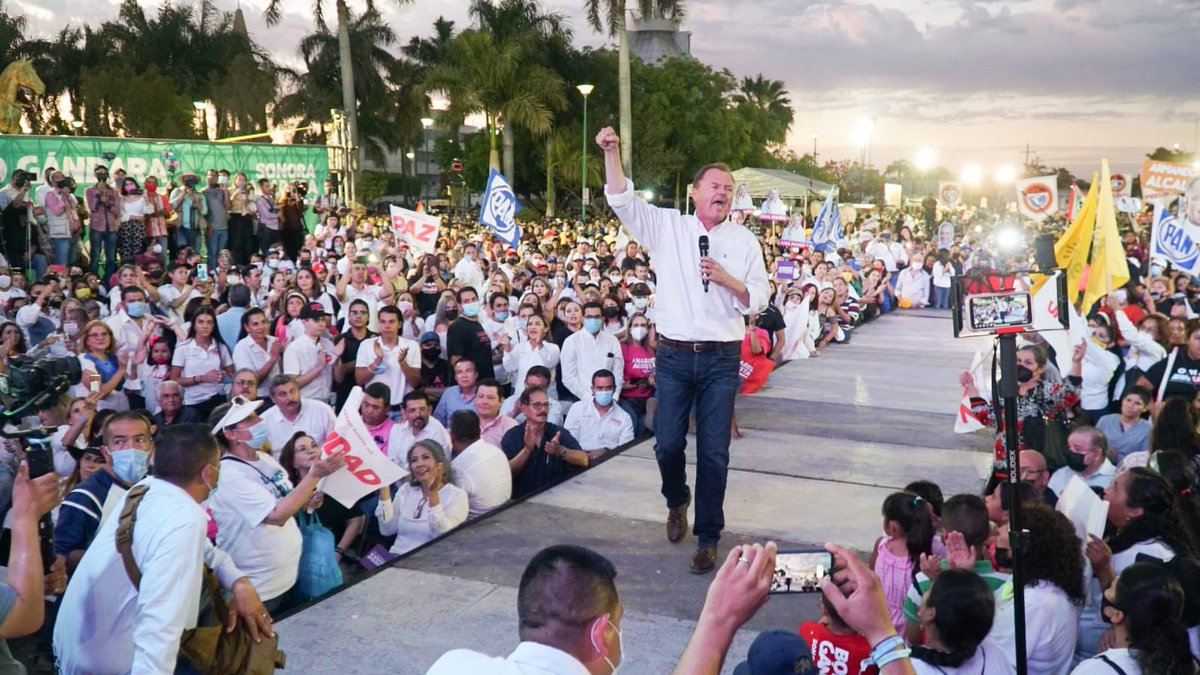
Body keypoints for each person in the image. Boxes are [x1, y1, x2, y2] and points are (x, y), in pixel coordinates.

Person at [600, 126, 769, 573]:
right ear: (694, 192)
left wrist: (727, 279)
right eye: (715, 186)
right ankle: (677, 500)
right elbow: (621, 199)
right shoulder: (667, 228)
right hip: (673, 354)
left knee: (714, 451)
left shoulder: (743, 241)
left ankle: (708, 535)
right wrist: (612, 152)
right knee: (667, 444)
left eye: (729, 189)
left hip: (720, 357)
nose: (723, 194)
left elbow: (761, 298)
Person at [53, 424, 273, 674]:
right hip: (113, 661)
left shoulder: (144, 489)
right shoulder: (184, 520)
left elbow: (206, 549)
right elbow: (160, 624)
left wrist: (237, 581)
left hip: (80, 647)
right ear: (209, 473)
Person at [208, 397, 346, 611]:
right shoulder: (229, 474)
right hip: (260, 587)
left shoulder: (265, 459)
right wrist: (314, 476)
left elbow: (286, 499)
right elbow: (276, 515)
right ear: (231, 434)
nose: (259, 420)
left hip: (288, 575)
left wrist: (306, 500)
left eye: (256, 415)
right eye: (250, 419)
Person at [989, 503, 1085, 674]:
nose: (999, 531)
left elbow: (994, 664)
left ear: (1026, 546)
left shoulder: (1033, 604)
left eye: (1008, 529)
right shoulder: (1038, 583)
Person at [53, 411, 153, 573]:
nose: (131, 448)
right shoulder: (85, 497)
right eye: (120, 441)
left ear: (151, 447)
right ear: (106, 452)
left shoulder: (157, 489)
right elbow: (62, 557)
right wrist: (124, 558)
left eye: (139, 440)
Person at [1072, 561, 1196, 675]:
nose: (1106, 590)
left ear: (1116, 615)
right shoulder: (1185, 666)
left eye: (1111, 587)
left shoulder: (1095, 670)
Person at [375, 439, 468, 555]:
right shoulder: (406, 489)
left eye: (426, 457)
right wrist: (384, 490)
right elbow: (387, 530)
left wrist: (433, 494)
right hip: (396, 557)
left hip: (428, 563)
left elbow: (443, 536)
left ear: (440, 463)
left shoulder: (457, 495)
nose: (419, 464)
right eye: (414, 460)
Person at [910, 569, 1006, 674]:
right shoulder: (994, 654)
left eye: (928, 589)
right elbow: (968, 608)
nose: (924, 593)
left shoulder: (909, 668)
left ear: (930, 614)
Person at [501, 386, 586, 499]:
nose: (543, 410)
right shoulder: (512, 436)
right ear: (524, 409)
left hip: (557, 499)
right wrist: (527, 450)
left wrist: (560, 451)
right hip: (521, 502)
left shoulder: (558, 432)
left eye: (546, 405)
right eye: (537, 405)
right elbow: (506, 474)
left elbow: (583, 460)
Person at [870, 492, 935, 634]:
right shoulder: (922, 558)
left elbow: (870, 574)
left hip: (877, 620)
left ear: (893, 526)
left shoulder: (881, 546)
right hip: (908, 628)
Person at [448, 409, 512, 518]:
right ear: (478, 430)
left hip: (474, 527)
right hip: (504, 517)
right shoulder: (496, 451)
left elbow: (450, 512)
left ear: (452, 436)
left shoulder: (458, 469)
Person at [355, 304, 421, 407]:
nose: (387, 326)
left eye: (391, 322)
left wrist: (403, 363)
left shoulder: (412, 346)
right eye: (383, 321)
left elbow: (415, 382)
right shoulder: (366, 345)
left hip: (402, 409)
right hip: (375, 408)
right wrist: (378, 360)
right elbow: (359, 380)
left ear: (399, 324)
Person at [560, 301, 625, 404]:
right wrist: (587, 398)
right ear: (582, 318)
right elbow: (568, 377)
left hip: (610, 398)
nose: (593, 320)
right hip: (582, 399)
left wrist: (614, 396)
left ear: (603, 319)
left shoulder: (612, 340)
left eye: (597, 317)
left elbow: (618, 371)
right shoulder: (571, 341)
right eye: (589, 317)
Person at [260, 374, 336, 459]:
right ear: (273, 399)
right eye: (283, 394)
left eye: (293, 391)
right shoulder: (264, 421)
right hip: (283, 470)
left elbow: (336, 443)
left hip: (320, 466)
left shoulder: (322, 410)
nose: (290, 397)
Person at [563, 369, 635, 455]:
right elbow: (567, 439)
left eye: (608, 388)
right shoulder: (578, 408)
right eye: (600, 388)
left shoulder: (624, 418)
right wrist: (584, 455)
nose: (604, 392)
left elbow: (626, 450)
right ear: (593, 389)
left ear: (614, 389)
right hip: (578, 459)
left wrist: (606, 452)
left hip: (610, 461)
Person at [282, 301, 337, 403]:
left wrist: (338, 357)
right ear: (304, 321)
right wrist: (319, 367)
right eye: (316, 320)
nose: (321, 324)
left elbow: (339, 378)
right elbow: (291, 384)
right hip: (305, 402)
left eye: (323, 320)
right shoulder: (294, 348)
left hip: (327, 401)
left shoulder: (329, 344)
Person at [1047, 426, 1116, 495]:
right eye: (1069, 448)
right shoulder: (1060, 475)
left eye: (1078, 449)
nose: (1072, 453)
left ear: (1097, 454)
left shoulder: (1116, 479)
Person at [233, 307, 283, 401]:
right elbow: (249, 382)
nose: (261, 327)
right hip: (257, 398)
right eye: (256, 324)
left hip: (277, 396)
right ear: (247, 327)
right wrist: (272, 360)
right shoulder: (241, 347)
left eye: (263, 322)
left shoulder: (274, 341)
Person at [447, 286, 497, 380]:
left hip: (486, 380)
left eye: (474, 299)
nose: (471, 303)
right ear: (459, 306)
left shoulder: (477, 324)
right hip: (472, 385)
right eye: (466, 301)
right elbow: (456, 360)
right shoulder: (457, 327)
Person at [392, 390, 451, 468]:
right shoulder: (397, 429)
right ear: (404, 412)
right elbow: (392, 461)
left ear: (429, 410)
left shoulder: (438, 432)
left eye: (422, 409)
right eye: (412, 410)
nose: (418, 414)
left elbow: (438, 468)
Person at [1095, 387, 1151, 465]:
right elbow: (1094, 445)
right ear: (1122, 401)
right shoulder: (1105, 420)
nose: (1130, 406)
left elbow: (1143, 459)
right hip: (1100, 464)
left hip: (1128, 470)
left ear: (1145, 408)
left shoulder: (1148, 429)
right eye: (1128, 400)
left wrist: (1117, 457)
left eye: (1137, 403)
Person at [501, 366, 566, 426]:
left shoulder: (554, 406)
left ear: (547, 387)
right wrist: (515, 412)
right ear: (525, 384)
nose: (534, 390)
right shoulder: (510, 401)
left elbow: (550, 431)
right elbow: (499, 428)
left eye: (539, 387)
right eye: (531, 386)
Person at [475, 378, 518, 447]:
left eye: (490, 398)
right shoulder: (464, 422)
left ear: (501, 401)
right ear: (475, 399)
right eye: (480, 396)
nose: (484, 401)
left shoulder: (510, 426)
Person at [434, 359, 479, 426]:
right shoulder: (449, 393)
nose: (464, 375)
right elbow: (437, 422)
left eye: (468, 371)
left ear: (476, 374)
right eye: (459, 372)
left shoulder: (484, 393)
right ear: (455, 377)